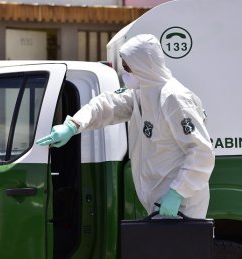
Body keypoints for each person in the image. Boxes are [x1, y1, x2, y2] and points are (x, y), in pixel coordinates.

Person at [36, 34, 215, 218]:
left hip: (181, 204)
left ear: (144, 66)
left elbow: (201, 153)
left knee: (182, 247)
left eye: (129, 68)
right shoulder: (141, 93)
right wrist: (73, 125)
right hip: (160, 200)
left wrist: (178, 192)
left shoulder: (174, 98)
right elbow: (107, 105)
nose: (125, 73)